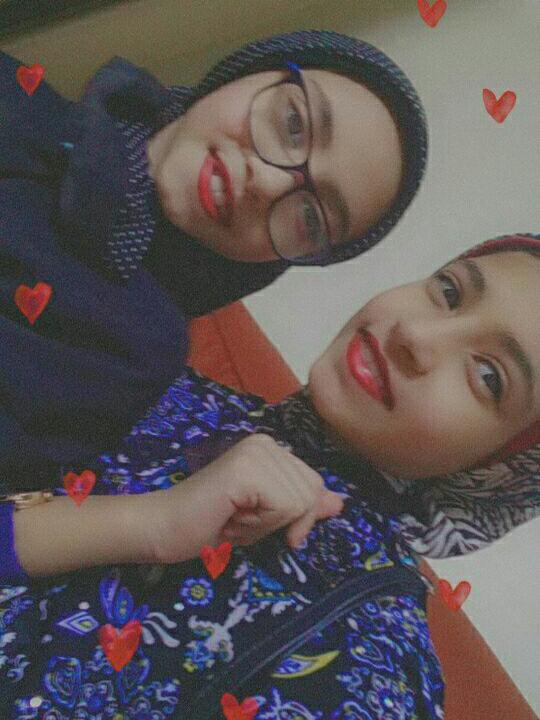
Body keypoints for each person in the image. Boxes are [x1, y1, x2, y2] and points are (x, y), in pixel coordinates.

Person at [1, 232, 539, 719]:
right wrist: (146, 522)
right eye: (449, 290)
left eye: (489, 376)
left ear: (496, 472)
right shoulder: (177, 390)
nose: (415, 335)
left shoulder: (374, 660)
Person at [0, 30, 427, 492]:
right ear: (246, 73)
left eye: (311, 216)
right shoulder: (21, 97)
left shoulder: (132, 348)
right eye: (293, 124)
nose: (267, 182)